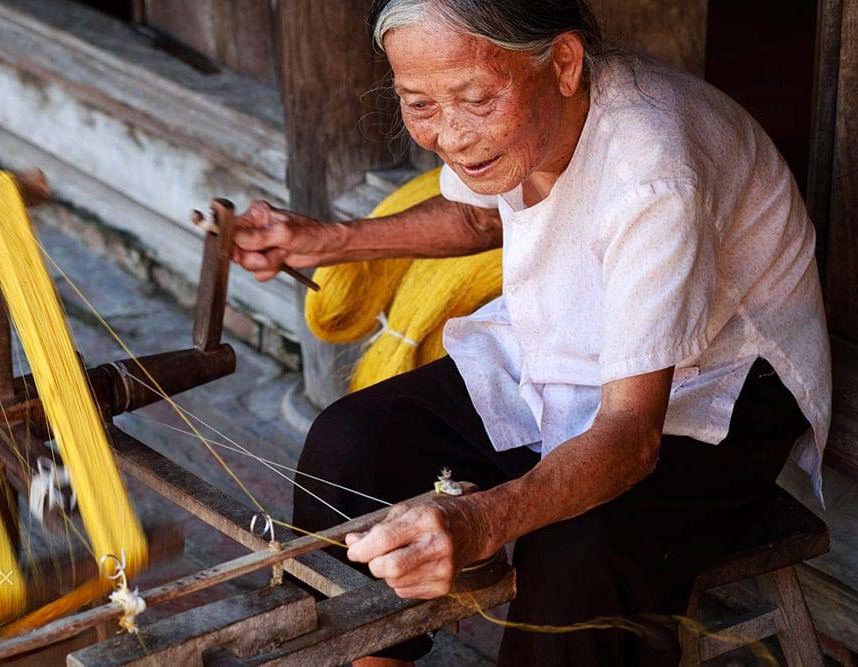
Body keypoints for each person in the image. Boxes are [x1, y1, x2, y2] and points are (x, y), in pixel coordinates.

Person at [232, 0, 832, 664]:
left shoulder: (652, 175)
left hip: (714, 389)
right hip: (570, 336)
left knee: (574, 551)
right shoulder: (531, 121)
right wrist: (333, 240)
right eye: (420, 104)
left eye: (476, 99)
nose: (453, 135)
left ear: (565, 63)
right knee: (352, 445)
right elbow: (477, 217)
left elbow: (631, 437)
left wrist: (481, 519)